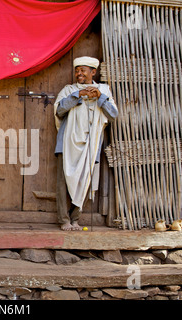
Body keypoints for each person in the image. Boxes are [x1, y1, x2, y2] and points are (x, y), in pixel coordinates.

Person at [54, 56, 118, 231]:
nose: (78, 73)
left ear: (93, 72)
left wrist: (100, 97)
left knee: (84, 180)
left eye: (82, 70)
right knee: (62, 182)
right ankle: (64, 220)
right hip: (68, 142)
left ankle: (75, 219)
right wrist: (78, 95)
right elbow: (60, 110)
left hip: (91, 143)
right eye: (77, 70)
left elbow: (113, 115)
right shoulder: (69, 90)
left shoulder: (104, 90)